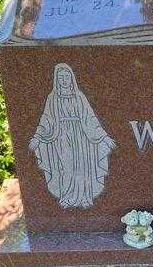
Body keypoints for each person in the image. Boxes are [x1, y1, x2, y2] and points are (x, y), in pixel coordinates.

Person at [30, 63, 114, 209]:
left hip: (81, 136)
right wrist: (37, 136)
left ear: (71, 78)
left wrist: (103, 136)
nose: (64, 80)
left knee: (82, 166)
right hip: (62, 136)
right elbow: (46, 118)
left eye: (67, 77)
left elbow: (90, 117)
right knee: (66, 167)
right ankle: (67, 196)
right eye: (61, 77)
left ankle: (84, 196)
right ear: (57, 79)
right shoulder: (53, 97)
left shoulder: (79, 96)